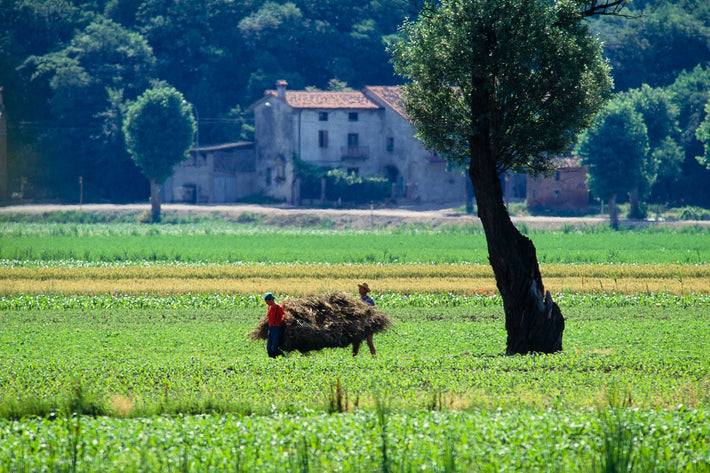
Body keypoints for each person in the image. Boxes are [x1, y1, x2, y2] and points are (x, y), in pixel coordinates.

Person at [356, 283, 377, 356]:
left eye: (361, 288)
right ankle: (354, 357)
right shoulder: (358, 300)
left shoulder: (369, 300)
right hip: (359, 324)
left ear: (365, 290)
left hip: (367, 324)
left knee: (369, 342)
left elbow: (374, 311)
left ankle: (373, 356)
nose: (359, 289)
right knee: (356, 342)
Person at [264, 292, 285, 358]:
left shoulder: (278, 308)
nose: (266, 303)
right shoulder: (269, 307)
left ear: (272, 300)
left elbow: (284, 316)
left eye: (267, 301)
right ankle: (272, 361)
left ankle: (283, 357)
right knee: (269, 349)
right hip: (271, 329)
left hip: (277, 329)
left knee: (274, 348)